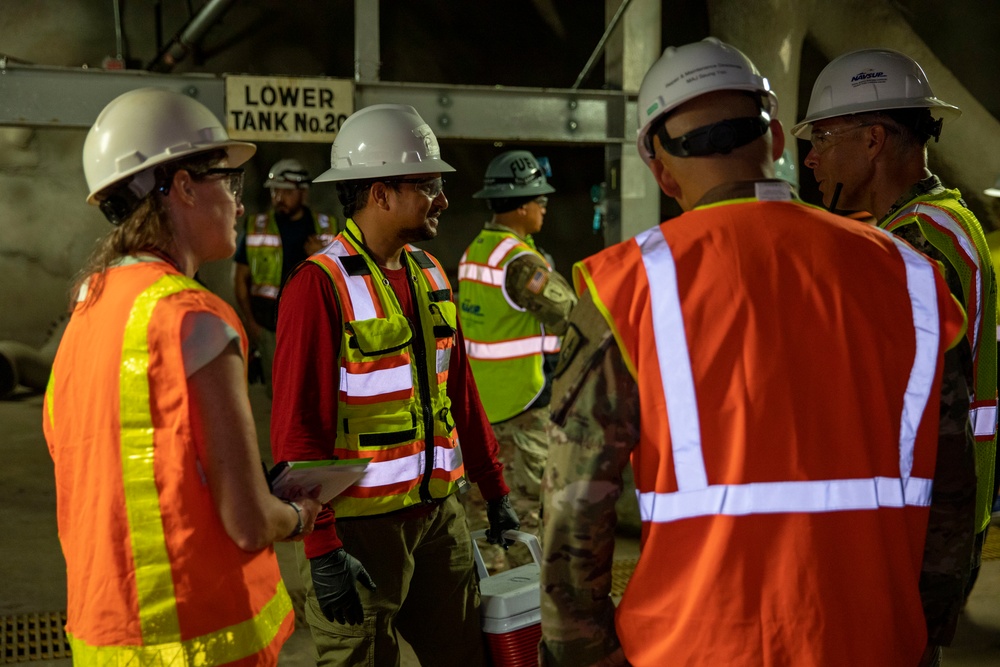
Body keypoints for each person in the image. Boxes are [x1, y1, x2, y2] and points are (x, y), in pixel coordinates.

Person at [538, 38, 973, 667]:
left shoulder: (624, 287)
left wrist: (580, 651)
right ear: (774, 143)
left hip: (692, 649)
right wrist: (923, 629)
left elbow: (574, 505)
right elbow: (954, 496)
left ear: (660, 169)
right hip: (873, 642)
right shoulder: (912, 280)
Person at [42, 87, 321, 665]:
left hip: (107, 640)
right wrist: (297, 515)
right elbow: (248, 523)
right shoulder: (192, 320)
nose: (239, 204)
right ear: (187, 187)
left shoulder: (86, 312)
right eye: (229, 181)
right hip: (202, 639)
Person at [269, 103, 519, 667]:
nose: (443, 198)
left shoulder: (430, 271)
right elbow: (295, 429)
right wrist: (322, 547)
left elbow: (459, 393)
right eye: (427, 184)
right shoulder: (319, 286)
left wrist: (493, 484)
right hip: (360, 534)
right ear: (380, 193)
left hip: (440, 518)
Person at [795, 47, 994, 625]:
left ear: (873, 139)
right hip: (934, 511)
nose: (811, 160)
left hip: (916, 519)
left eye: (823, 138)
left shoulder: (913, 247)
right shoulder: (937, 222)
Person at [457, 149, 576, 569]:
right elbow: (570, 313)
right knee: (527, 525)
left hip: (481, 407)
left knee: (485, 521)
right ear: (523, 206)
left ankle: (487, 622)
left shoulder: (475, 252)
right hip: (522, 410)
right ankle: (526, 626)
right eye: (540, 200)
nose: (544, 207)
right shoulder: (521, 262)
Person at [234, 158, 336, 396]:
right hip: (270, 324)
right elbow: (240, 278)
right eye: (274, 191)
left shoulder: (327, 228)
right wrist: (251, 321)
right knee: (280, 392)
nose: (278, 198)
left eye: (286, 192)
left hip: (313, 323)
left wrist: (318, 256)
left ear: (303, 193)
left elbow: (343, 277)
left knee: (315, 389)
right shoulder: (256, 227)